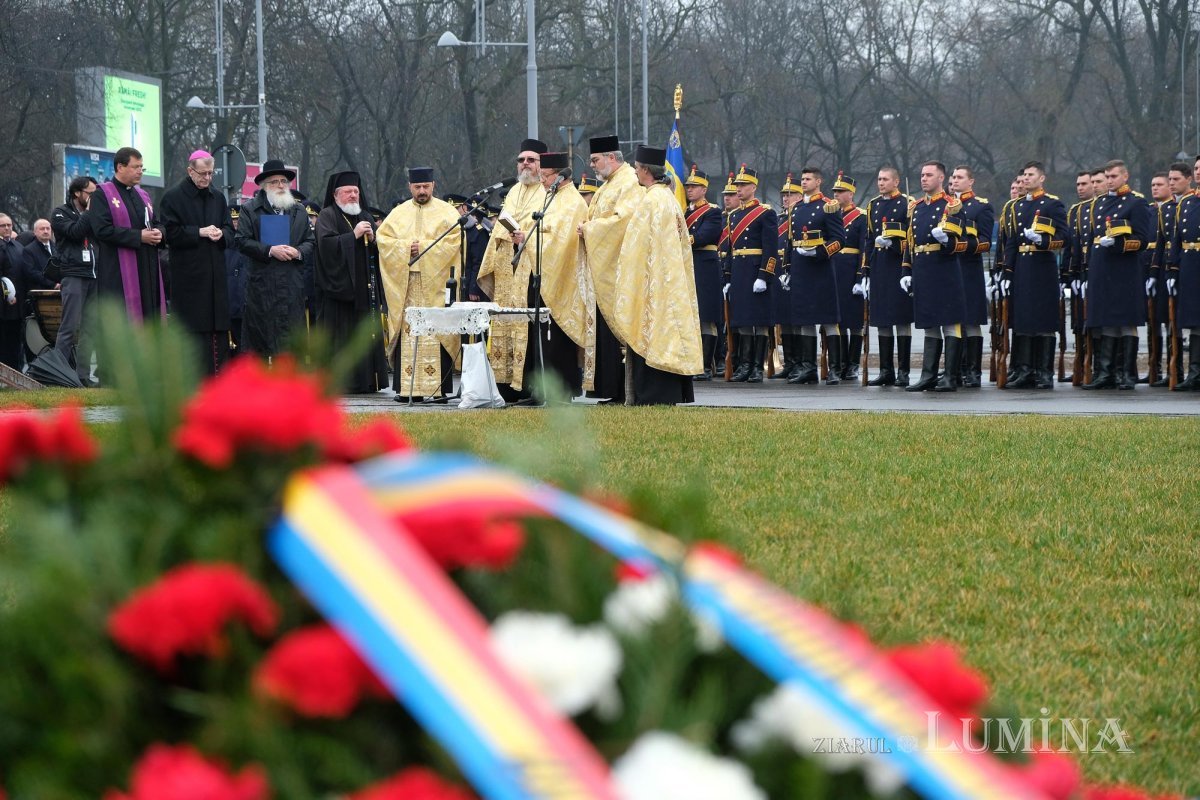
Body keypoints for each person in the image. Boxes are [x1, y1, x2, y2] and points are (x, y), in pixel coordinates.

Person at [609, 145, 702, 404]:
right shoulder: (666, 198)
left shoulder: (652, 200)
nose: (635, 173)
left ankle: (652, 394)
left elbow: (637, 247)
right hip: (667, 281)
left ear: (646, 170)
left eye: (637, 169)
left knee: (652, 334)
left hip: (655, 283)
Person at [376, 166, 461, 401]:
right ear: (409, 187)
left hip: (435, 283)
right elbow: (383, 240)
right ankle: (408, 388)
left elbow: (455, 241)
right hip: (408, 284)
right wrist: (406, 248)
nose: (422, 191)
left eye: (425, 186)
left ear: (433, 185)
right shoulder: (398, 213)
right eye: (417, 187)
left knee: (436, 330)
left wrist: (422, 247)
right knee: (410, 332)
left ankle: (439, 389)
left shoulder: (447, 212)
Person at [476, 138, 548, 400]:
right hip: (507, 267)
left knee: (526, 325)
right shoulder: (515, 191)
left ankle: (527, 384)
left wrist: (524, 236)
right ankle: (504, 385)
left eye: (531, 160)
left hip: (529, 269)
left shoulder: (546, 193)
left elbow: (550, 231)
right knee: (503, 324)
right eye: (521, 160)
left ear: (542, 165)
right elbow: (499, 226)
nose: (525, 164)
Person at [313, 171, 389, 393]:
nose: (353, 195)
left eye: (356, 191)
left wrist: (374, 240)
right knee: (341, 338)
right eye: (348, 192)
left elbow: (379, 252)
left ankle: (366, 381)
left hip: (364, 291)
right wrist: (352, 236)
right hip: (338, 294)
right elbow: (325, 248)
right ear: (336, 195)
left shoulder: (364, 215)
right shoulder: (327, 216)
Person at [580, 134, 642, 403]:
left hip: (617, 268)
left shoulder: (628, 181)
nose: (592, 165)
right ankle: (608, 389)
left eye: (595, 160)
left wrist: (590, 229)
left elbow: (623, 220)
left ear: (611, 158)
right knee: (603, 331)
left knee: (615, 330)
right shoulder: (608, 185)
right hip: (602, 267)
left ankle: (619, 390)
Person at [1081, 159, 1154, 390]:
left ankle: (1127, 374)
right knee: (1106, 321)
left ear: (1125, 176)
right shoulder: (1099, 203)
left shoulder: (1136, 203)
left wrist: (1119, 243)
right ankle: (1106, 373)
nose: (1110, 181)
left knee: (1126, 321)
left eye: (1113, 176)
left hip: (1124, 268)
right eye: (1108, 176)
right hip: (1102, 267)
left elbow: (1142, 240)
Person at [160, 150, 232, 376]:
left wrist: (222, 233)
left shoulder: (218, 197)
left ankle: (218, 379)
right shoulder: (173, 197)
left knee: (217, 330)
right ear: (190, 171)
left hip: (215, 275)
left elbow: (230, 229)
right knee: (192, 329)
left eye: (211, 174)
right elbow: (169, 233)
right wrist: (199, 232)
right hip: (189, 276)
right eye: (203, 173)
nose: (207, 179)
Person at [235, 158, 315, 360]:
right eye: (274, 181)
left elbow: (310, 241)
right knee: (260, 345)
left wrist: (297, 252)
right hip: (262, 288)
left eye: (283, 181)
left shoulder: (298, 211)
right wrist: (270, 250)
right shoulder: (250, 209)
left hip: (291, 287)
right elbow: (242, 241)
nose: (280, 185)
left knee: (290, 348)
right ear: (264, 185)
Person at [1000, 161, 1067, 390]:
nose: (1026, 179)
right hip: (1022, 268)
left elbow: (1063, 237)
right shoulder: (1017, 207)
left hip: (1042, 266)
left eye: (1031, 175)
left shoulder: (1052, 204)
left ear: (1042, 178)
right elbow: (1011, 242)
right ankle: (1025, 369)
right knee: (1023, 320)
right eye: (1024, 175)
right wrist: (1007, 272)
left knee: (1044, 321)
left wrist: (1044, 241)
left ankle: (1045, 372)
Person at [903, 161, 968, 392]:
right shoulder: (916, 207)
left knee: (950, 323)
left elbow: (964, 243)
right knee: (929, 323)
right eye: (922, 175)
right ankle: (928, 375)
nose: (923, 179)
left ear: (941, 178)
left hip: (945, 269)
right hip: (923, 269)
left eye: (929, 175)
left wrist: (946, 241)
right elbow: (909, 243)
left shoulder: (952, 205)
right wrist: (906, 270)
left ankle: (951, 376)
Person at [88, 146, 166, 323]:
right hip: (118, 274)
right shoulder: (102, 194)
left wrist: (159, 233)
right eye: (135, 167)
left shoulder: (143, 195)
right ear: (120, 167)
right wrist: (139, 237)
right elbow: (102, 230)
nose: (140, 171)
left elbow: (156, 222)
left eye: (142, 167)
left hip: (147, 269)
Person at [785, 167, 845, 384]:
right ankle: (808, 368)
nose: (803, 182)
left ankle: (835, 369)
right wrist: (787, 269)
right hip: (801, 268)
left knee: (828, 319)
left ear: (818, 181)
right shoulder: (796, 208)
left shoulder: (828, 207)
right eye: (802, 179)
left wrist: (819, 251)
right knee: (804, 320)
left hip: (820, 268)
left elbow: (839, 239)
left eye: (808, 179)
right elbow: (790, 242)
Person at [862, 166, 914, 386]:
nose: (881, 183)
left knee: (901, 319)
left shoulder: (906, 203)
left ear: (896, 181)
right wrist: (865, 270)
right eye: (879, 179)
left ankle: (903, 371)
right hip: (880, 266)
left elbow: (911, 238)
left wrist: (894, 244)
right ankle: (886, 370)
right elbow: (869, 238)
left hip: (898, 265)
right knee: (882, 320)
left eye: (885, 179)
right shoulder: (873, 205)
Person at [50, 176, 99, 384]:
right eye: (90, 193)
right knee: (69, 327)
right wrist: (88, 213)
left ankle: (82, 376)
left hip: (94, 274)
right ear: (77, 193)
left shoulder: (95, 214)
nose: (94, 197)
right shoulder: (60, 213)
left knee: (90, 329)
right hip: (73, 274)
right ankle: (58, 375)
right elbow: (75, 233)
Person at [949, 165, 994, 387]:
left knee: (972, 321)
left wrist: (962, 245)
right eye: (953, 177)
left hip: (968, 268)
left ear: (971, 181)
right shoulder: (946, 205)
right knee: (952, 321)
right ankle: (954, 368)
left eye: (959, 177)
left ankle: (973, 370)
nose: (955, 181)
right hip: (948, 269)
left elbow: (985, 242)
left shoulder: (980, 207)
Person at [1150, 162, 1191, 386]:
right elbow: (1161, 243)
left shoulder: (1191, 204)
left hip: (1188, 266)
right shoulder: (1165, 209)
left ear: (1188, 180)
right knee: (1168, 320)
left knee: (1189, 320)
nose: (1172, 183)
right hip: (1169, 270)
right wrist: (1154, 273)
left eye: (1175, 180)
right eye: (1171, 179)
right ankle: (1173, 371)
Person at [0, 213, 55, 369]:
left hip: (18, 304)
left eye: (9, 225)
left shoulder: (18, 246)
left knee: (16, 342)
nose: (7, 228)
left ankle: (15, 373)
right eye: (3, 226)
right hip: (4, 304)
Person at [684, 165, 723, 380]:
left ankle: (706, 365)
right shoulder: (686, 211)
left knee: (706, 316)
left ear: (704, 189)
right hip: (690, 265)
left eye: (694, 186)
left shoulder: (713, 212)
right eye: (688, 186)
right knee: (692, 316)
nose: (690, 189)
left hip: (706, 266)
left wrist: (682, 239)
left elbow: (705, 236)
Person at [1165, 154, 1200, 389]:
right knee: (1195, 321)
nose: (1198, 172)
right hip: (1190, 264)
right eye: (1196, 168)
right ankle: (1195, 372)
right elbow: (1177, 238)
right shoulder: (1187, 202)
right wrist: (1173, 270)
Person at [834, 174, 867, 381]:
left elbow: (863, 249)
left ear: (851, 194)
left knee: (853, 322)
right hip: (834, 272)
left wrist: (859, 277)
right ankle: (840, 361)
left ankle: (853, 362)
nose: (836, 195)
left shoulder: (860, 217)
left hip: (851, 272)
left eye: (841, 192)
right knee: (837, 321)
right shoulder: (832, 215)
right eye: (835, 192)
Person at [225, 208, 247, 353]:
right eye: (233, 220)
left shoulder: (248, 242)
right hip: (229, 304)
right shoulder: (224, 244)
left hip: (245, 305)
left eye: (238, 219)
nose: (236, 223)